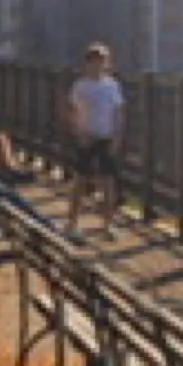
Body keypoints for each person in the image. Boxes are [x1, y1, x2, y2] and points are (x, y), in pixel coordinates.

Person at [66, 42, 125, 235]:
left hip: (106, 137)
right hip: (87, 137)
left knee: (108, 182)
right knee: (80, 180)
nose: (98, 65)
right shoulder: (80, 86)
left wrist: (117, 136)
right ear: (88, 63)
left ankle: (107, 224)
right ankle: (72, 223)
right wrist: (79, 133)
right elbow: (72, 111)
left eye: (102, 61)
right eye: (94, 61)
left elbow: (118, 111)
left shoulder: (112, 85)